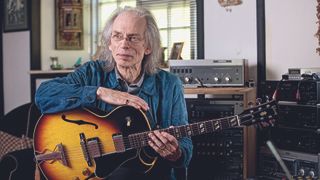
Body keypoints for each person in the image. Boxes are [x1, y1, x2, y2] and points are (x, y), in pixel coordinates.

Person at [35, 6, 192, 180]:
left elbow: (185, 144)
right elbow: (43, 94)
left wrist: (175, 152)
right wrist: (99, 92)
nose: (124, 44)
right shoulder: (92, 72)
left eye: (133, 38)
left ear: (148, 46)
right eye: (117, 36)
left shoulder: (170, 84)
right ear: (110, 43)